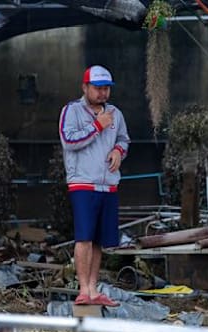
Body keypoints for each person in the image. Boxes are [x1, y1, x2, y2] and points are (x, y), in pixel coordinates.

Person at [58, 65, 130, 306]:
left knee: (99, 239)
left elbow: (123, 139)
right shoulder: (72, 110)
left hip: (108, 184)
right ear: (85, 87)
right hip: (83, 182)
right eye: (98, 88)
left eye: (106, 88)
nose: (103, 93)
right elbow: (69, 141)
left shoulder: (115, 113)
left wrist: (119, 151)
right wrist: (98, 125)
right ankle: (83, 290)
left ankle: (93, 288)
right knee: (84, 236)